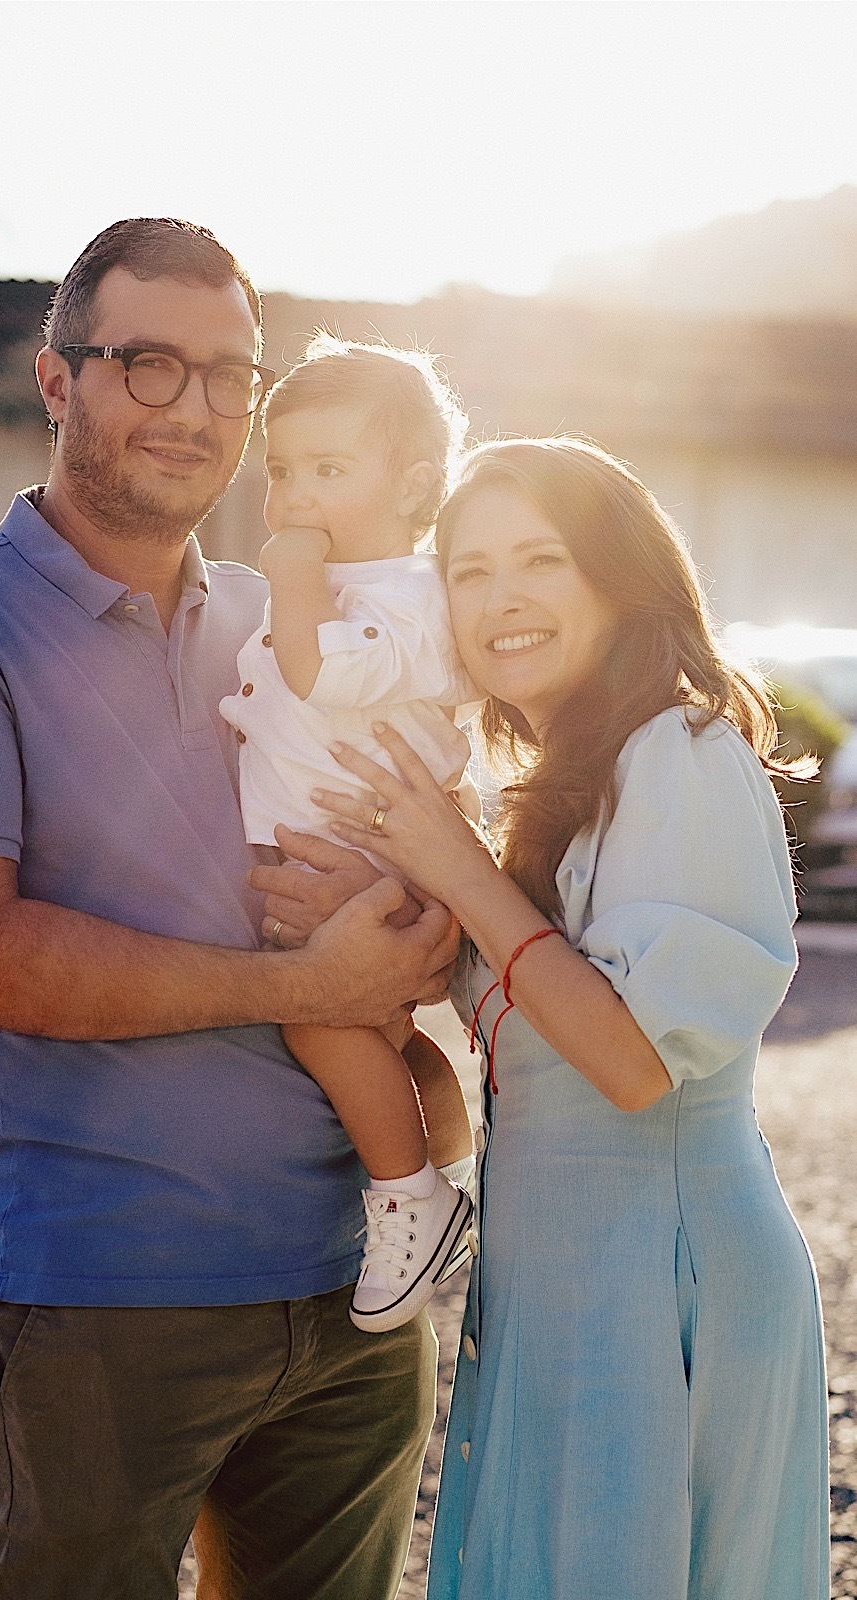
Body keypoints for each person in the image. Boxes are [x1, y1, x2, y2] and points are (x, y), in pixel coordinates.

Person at [0, 218, 461, 1600]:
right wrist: (309, 989)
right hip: (104, 1301)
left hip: (353, 1296)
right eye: (146, 364)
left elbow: (430, 844)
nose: (193, 410)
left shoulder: (286, 621)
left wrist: (428, 922)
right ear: (57, 382)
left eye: (228, 376)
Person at [306, 437, 830, 1599]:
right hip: (556, 1276)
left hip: (661, 1271)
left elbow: (633, 1063)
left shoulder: (679, 752)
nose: (501, 599)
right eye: (469, 568)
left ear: (618, 578)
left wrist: (462, 870)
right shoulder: (556, 785)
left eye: (540, 560)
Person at [219, 337, 476, 1334]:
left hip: (359, 863)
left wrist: (289, 573)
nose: (295, 494)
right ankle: (448, 1171)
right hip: (341, 850)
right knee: (385, 1033)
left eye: (329, 470)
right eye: (282, 470)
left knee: (321, 1018)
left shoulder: (410, 597)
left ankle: (406, 1192)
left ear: (413, 486)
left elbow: (323, 672)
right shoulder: (341, 586)